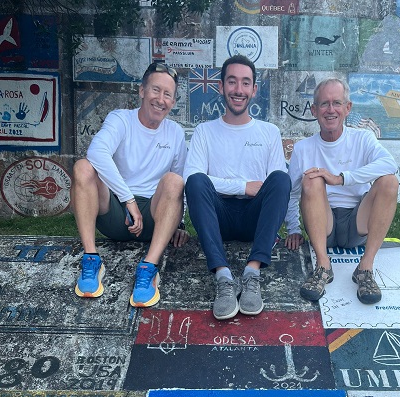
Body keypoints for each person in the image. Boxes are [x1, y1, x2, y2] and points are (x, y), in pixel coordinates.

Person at [184, 55, 291, 320]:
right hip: (218, 216)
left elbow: (276, 188)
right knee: (196, 181)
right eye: (232, 82)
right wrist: (243, 186)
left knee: (281, 178)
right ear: (221, 87)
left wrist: (295, 227)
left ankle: (252, 272)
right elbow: (193, 177)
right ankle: (223, 278)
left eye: (245, 83)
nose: (238, 90)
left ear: (254, 90)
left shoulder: (269, 132)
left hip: (255, 218)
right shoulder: (204, 131)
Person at [71, 62, 187, 307]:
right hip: (116, 211)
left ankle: (149, 268)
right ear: (142, 91)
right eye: (156, 90)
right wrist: (128, 200)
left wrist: (180, 223)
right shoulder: (121, 119)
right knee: (83, 167)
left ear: (173, 102)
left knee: (174, 180)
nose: (161, 99)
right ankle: (91, 259)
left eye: (168, 94)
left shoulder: (175, 132)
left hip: (153, 218)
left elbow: (178, 183)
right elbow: (97, 152)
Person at [286, 76, 399, 304]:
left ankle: (365, 267)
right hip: (322, 225)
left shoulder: (363, 138)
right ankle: (323, 266)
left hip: (358, 223)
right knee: (312, 179)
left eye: (337, 103)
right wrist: (293, 228)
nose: (331, 110)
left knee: (389, 182)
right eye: (324, 104)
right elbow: (292, 193)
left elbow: (390, 164)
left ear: (348, 108)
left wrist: (341, 178)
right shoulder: (303, 148)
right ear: (314, 110)